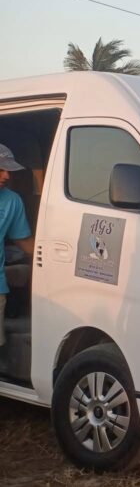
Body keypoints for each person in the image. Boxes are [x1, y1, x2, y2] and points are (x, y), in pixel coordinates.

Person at [0, 144, 33, 347]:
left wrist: (47, 258)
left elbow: (23, 240)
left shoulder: (13, 201)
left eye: (8, 170)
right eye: (1, 169)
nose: (6, 176)